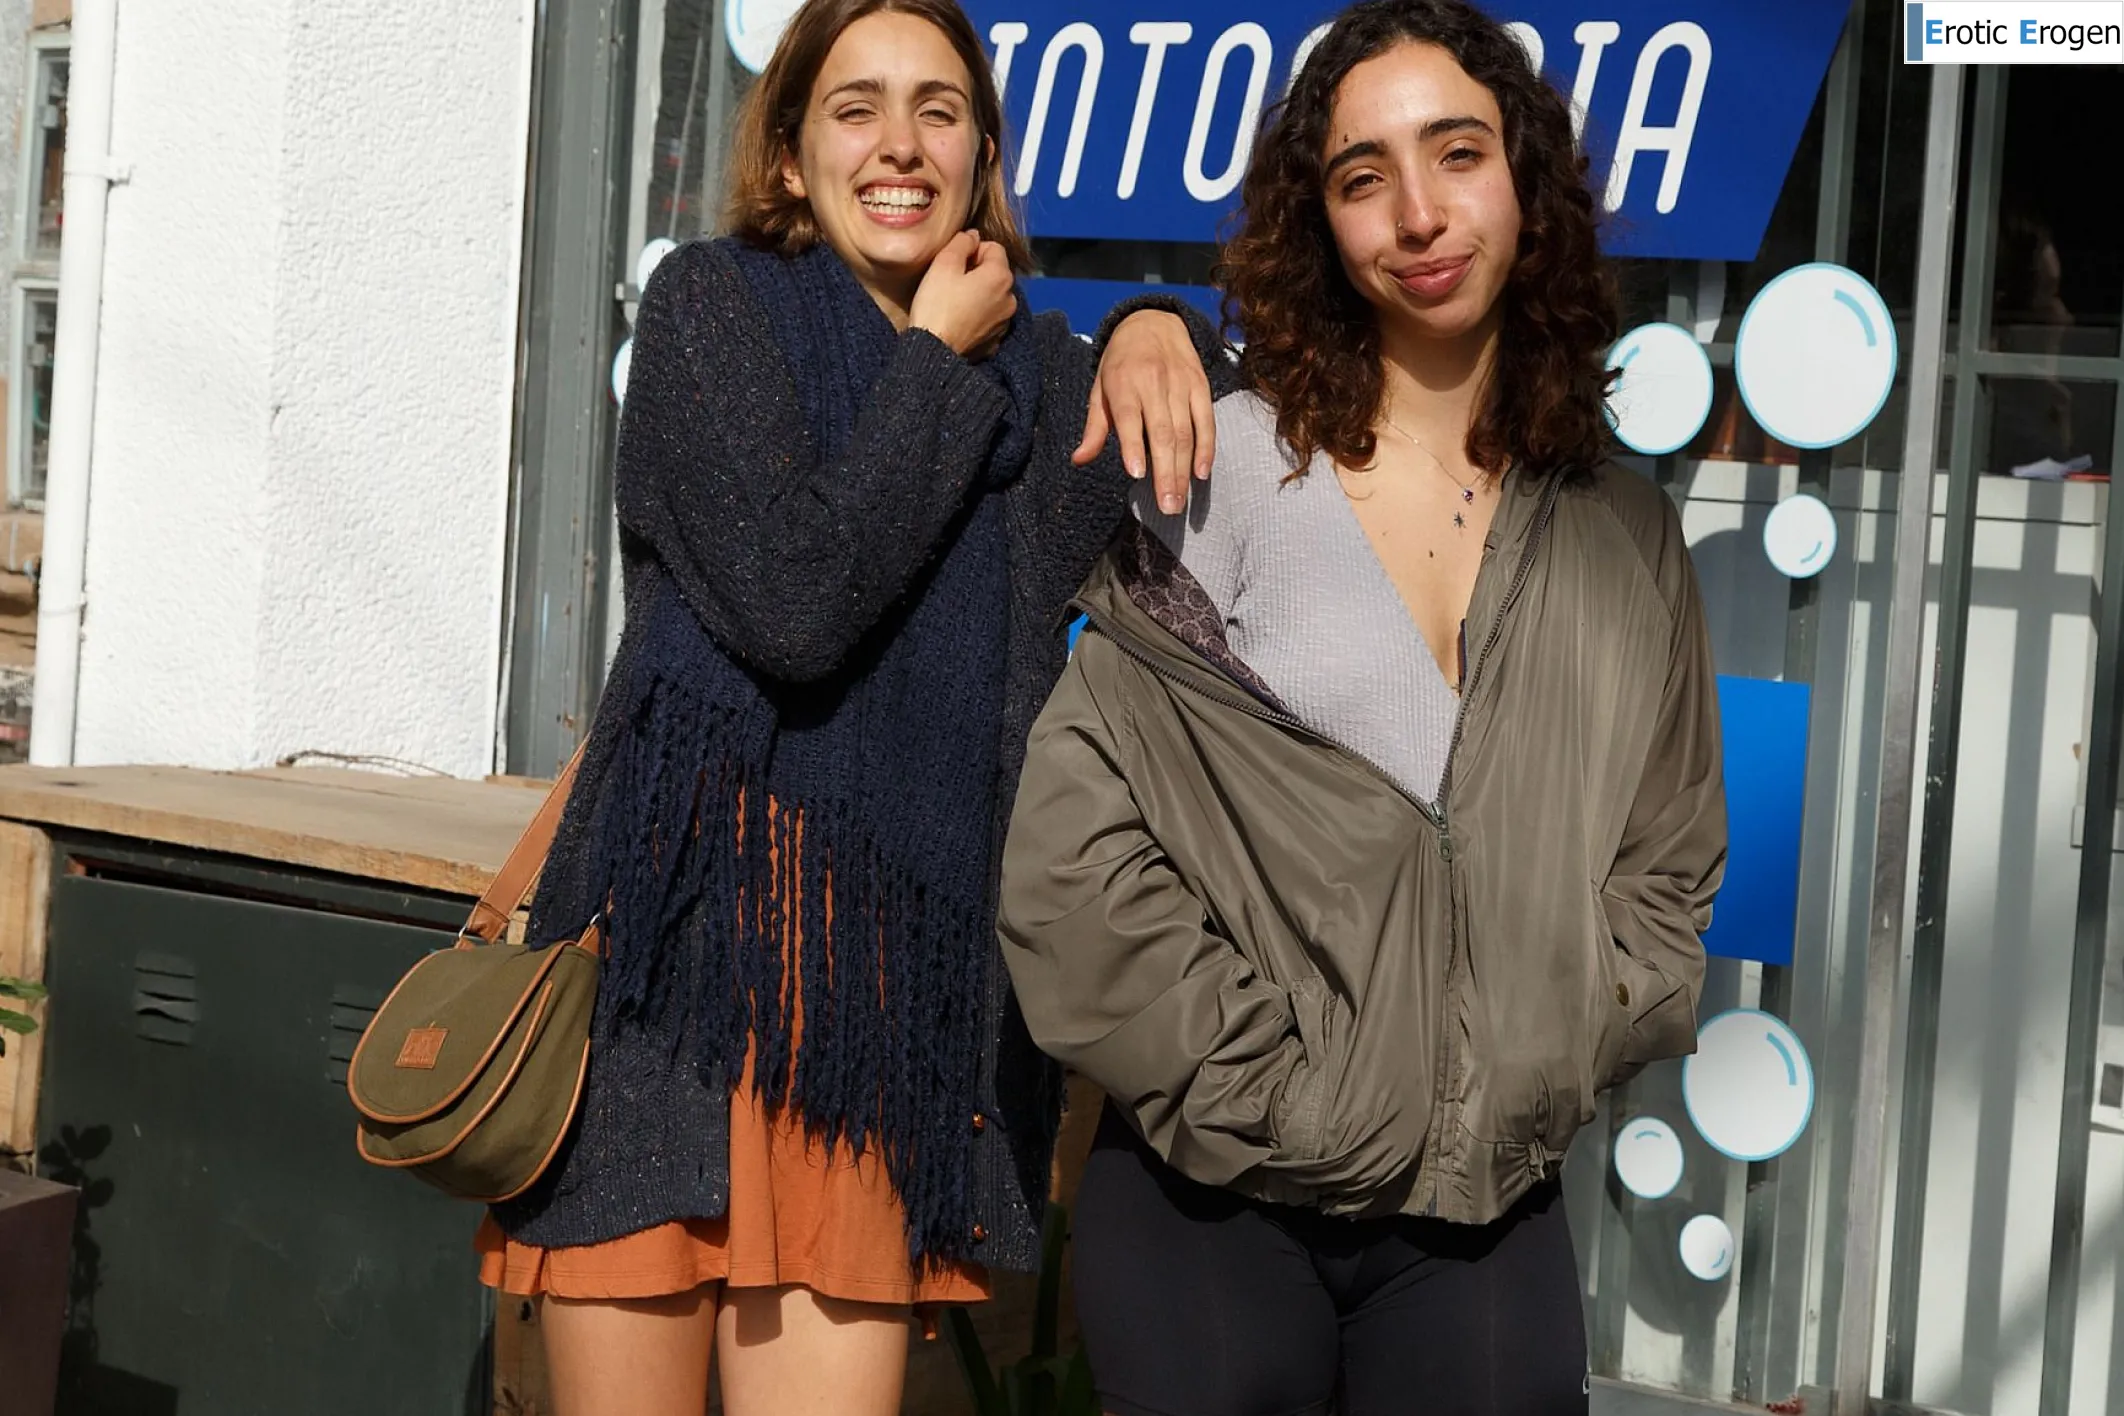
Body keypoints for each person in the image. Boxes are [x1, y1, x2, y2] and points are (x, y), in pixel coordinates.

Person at [474, 0, 1236, 1411]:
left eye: (939, 110)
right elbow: (793, 600)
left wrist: (1154, 322)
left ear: (982, 157)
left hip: (875, 1028)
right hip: (666, 989)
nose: (899, 144)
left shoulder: (1038, 386)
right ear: (790, 154)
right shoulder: (709, 311)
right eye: (856, 107)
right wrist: (935, 358)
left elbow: (1228, 433)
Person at [997, 2, 1727, 1412]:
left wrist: (1545, 1050)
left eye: (1457, 153)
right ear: (1318, 225)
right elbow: (1075, 856)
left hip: (1482, 1205)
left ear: (1526, 180)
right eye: (1361, 176)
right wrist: (1270, 1088)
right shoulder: (1226, 471)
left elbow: (1669, 867)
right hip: (1215, 1190)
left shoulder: (1626, 535)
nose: (1418, 214)